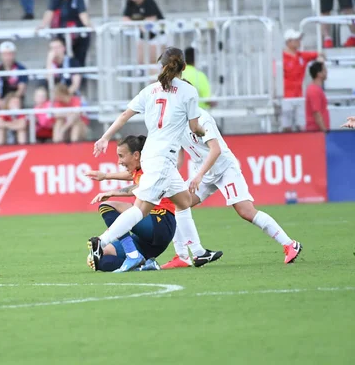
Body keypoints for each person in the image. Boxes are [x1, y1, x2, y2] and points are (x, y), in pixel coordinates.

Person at [87, 47, 218, 273]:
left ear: (162, 65)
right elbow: (194, 127)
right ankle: (103, 241)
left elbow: (124, 116)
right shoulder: (188, 91)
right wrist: (205, 133)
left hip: (152, 156)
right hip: (163, 159)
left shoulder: (149, 90)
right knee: (140, 210)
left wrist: (105, 137)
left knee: (184, 201)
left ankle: (198, 252)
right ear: (184, 67)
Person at [160, 107, 302, 267]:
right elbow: (180, 154)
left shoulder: (201, 118)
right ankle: (183, 256)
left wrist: (198, 175)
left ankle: (290, 244)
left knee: (246, 211)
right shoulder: (176, 121)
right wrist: (171, 174)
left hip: (224, 169)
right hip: (205, 173)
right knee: (177, 202)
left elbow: (216, 150)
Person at [85, 135, 180, 272]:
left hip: (160, 221)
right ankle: (144, 265)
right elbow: (130, 175)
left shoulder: (152, 168)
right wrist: (105, 176)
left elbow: (142, 186)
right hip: (146, 240)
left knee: (107, 207)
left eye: (121, 156)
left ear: (136, 155)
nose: (119, 161)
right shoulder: (138, 169)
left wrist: (112, 192)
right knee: (101, 260)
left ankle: (132, 254)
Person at [38, 0, 92, 66]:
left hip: (77, 34)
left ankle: (79, 78)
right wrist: (42, 25)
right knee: (62, 59)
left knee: (79, 60)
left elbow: (82, 13)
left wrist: (88, 24)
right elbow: (49, 12)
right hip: (62, 35)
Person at [282, 29, 324, 132]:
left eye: (299, 39)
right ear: (289, 42)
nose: (299, 41)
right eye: (296, 39)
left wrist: (320, 59)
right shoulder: (281, 58)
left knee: (301, 127)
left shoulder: (302, 56)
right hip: (286, 97)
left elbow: (320, 54)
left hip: (299, 96)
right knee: (286, 127)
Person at [122, 0, 166, 71]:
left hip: (155, 37)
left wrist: (138, 24)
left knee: (154, 62)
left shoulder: (148, 1)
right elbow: (125, 19)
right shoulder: (130, 2)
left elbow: (150, 22)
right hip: (142, 37)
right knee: (141, 61)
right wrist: (139, 24)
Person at [0, 41, 28, 109]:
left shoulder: (21, 69)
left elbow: (21, 90)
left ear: (14, 54)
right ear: (1, 55)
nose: (8, 57)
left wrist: (9, 101)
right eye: (5, 54)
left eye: (10, 54)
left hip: (16, 100)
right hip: (2, 100)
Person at [305, 61, 330, 132]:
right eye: (324, 70)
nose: (326, 72)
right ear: (319, 74)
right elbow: (316, 113)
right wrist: (324, 130)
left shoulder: (316, 89)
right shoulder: (314, 90)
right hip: (316, 131)